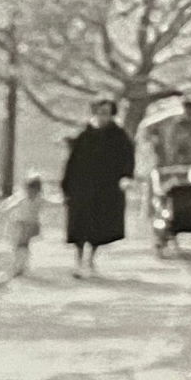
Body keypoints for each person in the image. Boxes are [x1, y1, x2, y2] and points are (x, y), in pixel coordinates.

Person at [61, 98, 135, 277]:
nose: (103, 116)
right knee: (79, 223)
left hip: (106, 187)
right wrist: (66, 185)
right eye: (101, 112)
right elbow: (72, 161)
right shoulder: (85, 135)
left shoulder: (119, 136)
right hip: (82, 186)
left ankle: (91, 259)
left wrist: (126, 176)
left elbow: (128, 158)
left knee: (99, 225)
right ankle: (79, 261)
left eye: (107, 113)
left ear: (112, 114)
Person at [0, 173, 46, 276]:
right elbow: (11, 205)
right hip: (19, 223)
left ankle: (21, 264)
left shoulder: (39, 199)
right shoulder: (23, 198)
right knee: (18, 245)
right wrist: (1, 213)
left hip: (30, 224)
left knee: (23, 245)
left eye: (34, 190)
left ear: (38, 190)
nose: (31, 192)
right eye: (29, 189)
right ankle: (19, 264)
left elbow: (39, 211)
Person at [152, 95, 191, 170]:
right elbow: (169, 142)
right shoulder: (174, 123)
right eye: (188, 105)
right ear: (184, 106)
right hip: (175, 162)